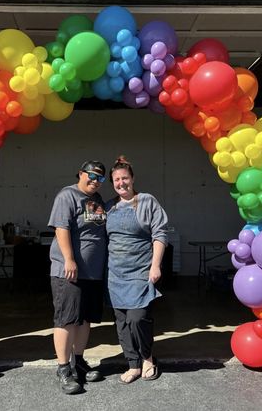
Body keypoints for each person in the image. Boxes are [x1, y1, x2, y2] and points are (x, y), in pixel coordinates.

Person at [106, 156, 168, 384]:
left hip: (141, 271)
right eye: (116, 180)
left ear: (132, 179)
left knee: (137, 317)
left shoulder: (147, 201)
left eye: (124, 178)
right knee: (121, 321)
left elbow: (160, 233)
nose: (121, 183)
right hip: (115, 274)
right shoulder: (108, 207)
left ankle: (147, 358)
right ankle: (133, 364)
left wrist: (156, 265)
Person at [48, 160, 108, 394]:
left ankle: (79, 362)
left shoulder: (97, 201)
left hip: (93, 272)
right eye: (91, 175)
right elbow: (61, 228)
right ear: (81, 173)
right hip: (69, 271)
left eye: (100, 178)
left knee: (85, 319)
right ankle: (64, 369)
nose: (95, 181)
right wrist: (69, 259)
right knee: (67, 318)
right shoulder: (67, 196)